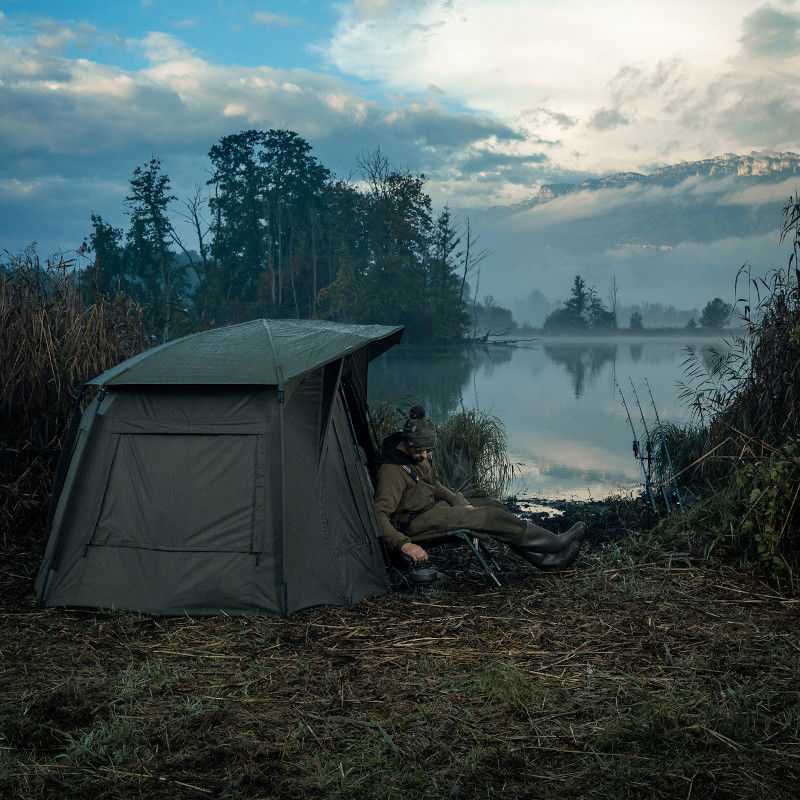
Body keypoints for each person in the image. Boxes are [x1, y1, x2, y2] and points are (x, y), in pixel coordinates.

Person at [373, 405, 585, 570]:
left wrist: (460, 501)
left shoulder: (419, 456)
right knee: (487, 517)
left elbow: (434, 485)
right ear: (408, 444)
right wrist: (404, 544)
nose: (425, 456)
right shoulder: (391, 472)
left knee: (495, 506)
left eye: (429, 451)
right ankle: (556, 543)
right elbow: (379, 515)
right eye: (421, 451)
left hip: (436, 508)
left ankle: (548, 562)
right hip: (415, 522)